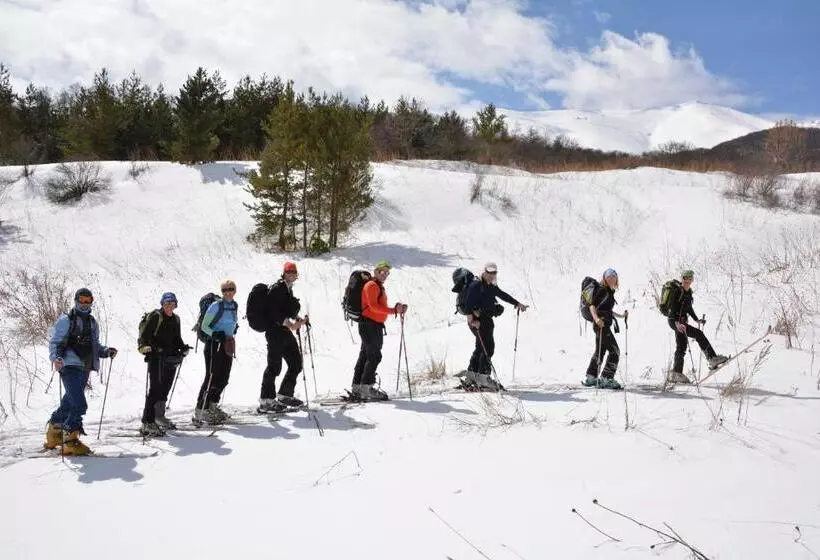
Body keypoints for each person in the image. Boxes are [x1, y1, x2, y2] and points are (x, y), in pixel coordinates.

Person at [45, 288, 117, 455]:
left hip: (84, 367)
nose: (85, 304)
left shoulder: (92, 322)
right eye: (82, 300)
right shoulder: (66, 320)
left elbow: (95, 345)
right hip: (69, 365)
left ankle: (54, 432)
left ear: (91, 301)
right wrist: (56, 358)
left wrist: (105, 351)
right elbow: (55, 342)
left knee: (69, 402)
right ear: (76, 301)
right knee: (79, 404)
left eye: (88, 300)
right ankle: (70, 439)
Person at [463, 262, 528, 391]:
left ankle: (471, 376)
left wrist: (517, 304)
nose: (492, 274)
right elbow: (467, 305)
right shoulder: (476, 285)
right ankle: (483, 378)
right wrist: (472, 321)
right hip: (478, 321)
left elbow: (503, 295)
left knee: (480, 347)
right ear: (484, 271)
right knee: (488, 347)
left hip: (486, 320)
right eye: (489, 272)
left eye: (494, 272)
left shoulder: (491, 286)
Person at [351, 260, 407, 400]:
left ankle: (357, 386)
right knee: (374, 356)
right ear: (376, 271)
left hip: (370, 325)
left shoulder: (377, 286)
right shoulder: (372, 286)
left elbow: (377, 306)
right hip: (370, 325)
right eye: (382, 271)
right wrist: (394, 310)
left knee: (366, 355)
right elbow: (373, 307)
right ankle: (366, 388)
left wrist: (396, 308)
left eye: (387, 273)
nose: (385, 275)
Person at [258, 261, 308, 413]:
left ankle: (285, 395)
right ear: (284, 273)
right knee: (274, 366)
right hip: (274, 332)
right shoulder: (278, 288)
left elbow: (284, 309)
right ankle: (266, 400)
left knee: (296, 363)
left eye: (293, 272)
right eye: (289, 272)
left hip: (284, 331)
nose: (291, 274)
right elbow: (273, 312)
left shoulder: (287, 288)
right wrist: (290, 324)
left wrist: (296, 318)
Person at [138, 292, 189, 435]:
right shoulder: (156, 316)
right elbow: (145, 336)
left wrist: (183, 347)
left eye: (172, 303)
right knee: (155, 390)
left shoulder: (176, 319)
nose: (169, 306)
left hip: (170, 359)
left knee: (165, 389)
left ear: (176, 305)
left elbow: (177, 339)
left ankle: (159, 417)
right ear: (162, 304)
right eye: (167, 303)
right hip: (156, 358)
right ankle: (147, 422)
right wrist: (144, 348)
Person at [666, 270, 727, 383]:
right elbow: (672, 309)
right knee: (698, 334)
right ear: (682, 278)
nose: (688, 280)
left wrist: (696, 319)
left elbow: (689, 308)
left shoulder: (688, 292)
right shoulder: (677, 291)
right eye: (685, 278)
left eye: (690, 278)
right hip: (675, 321)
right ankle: (712, 358)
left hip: (681, 322)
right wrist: (676, 324)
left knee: (681, 346)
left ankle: (676, 373)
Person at [194, 279, 239, 424]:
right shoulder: (216, 305)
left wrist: (234, 328)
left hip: (227, 344)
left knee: (224, 377)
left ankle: (213, 405)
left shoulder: (234, 305)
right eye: (225, 290)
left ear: (235, 291)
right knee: (211, 376)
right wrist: (215, 334)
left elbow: (231, 322)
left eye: (230, 289)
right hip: (214, 344)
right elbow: (204, 326)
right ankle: (201, 409)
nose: (228, 292)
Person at [583, 268, 626, 390]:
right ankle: (607, 378)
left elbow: (607, 310)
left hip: (602, 324)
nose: (612, 279)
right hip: (601, 325)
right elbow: (592, 306)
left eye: (614, 277)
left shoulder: (608, 291)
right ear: (605, 278)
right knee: (615, 351)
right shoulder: (602, 290)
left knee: (600, 351)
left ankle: (591, 377)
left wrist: (621, 316)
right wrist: (597, 319)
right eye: (609, 277)